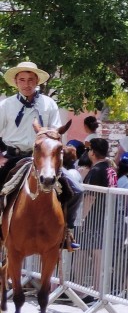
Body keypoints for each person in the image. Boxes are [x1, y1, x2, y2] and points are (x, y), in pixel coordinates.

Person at [0, 60, 81, 248]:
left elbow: (56, 133)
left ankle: (67, 232)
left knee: (77, 190)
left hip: (44, 159)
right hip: (14, 157)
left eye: (30, 80)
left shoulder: (49, 104)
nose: (26, 84)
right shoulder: (6, 106)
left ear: (37, 81)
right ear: (16, 82)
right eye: (22, 80)